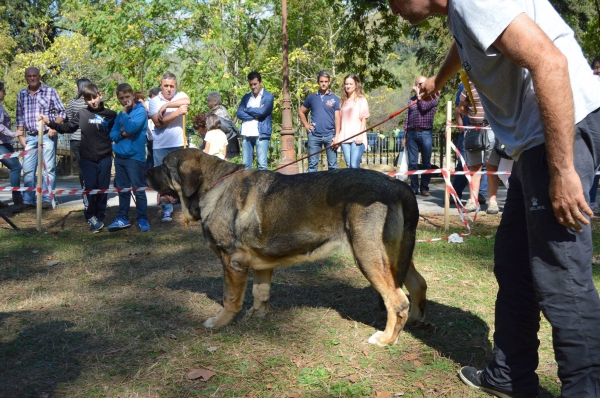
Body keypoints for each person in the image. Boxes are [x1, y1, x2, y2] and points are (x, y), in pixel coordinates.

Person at [387, 0, 600, 396]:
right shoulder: (462, 11)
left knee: (562, 276)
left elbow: (550, 63)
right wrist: (438, 80)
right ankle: (511, 375)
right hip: (533, 144)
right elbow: (468, 43)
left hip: (557, 132)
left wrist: (562, 169)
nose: (392, 8)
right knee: (514, 261)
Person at [39, 83, 116, 233]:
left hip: (105, 158)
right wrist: (50, 123)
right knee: (90, 187)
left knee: (102, 188)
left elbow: (119, 131)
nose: (93, 101)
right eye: (89, 99)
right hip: (87, 159)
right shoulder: (82, 113)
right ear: (85, 100)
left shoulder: (111, 115)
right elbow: (67, 127)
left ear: (100, 95)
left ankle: (99, 217)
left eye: (94, 97)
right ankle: (90, 216)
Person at [15, 67, 66, 210]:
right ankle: (28, 201)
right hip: (30, 137)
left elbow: (62, 111)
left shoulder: (50, 91)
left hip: (47, 135)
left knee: (48, 169)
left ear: (39, 76)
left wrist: (54, 126)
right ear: (25, 77)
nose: (32, 78)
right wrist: (20, 136)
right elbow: (19, 117)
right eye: (29, 76)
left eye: (35, 75)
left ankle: (46, 199)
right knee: (28, 170)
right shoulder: (21, 94)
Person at [107, 83, 149, 233]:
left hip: (135, 158)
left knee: (138, 190)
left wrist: (125, 113)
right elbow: (112, 133)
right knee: (123, 190)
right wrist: (121, 135)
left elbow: (131, 128)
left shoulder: (140, 111)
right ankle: (122, 218)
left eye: (127, 97)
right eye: (121, 98)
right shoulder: (120, 114)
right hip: (120, 157)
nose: (124, 100)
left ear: (132, 96)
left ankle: (142, 218)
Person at [148, 73, 190, 222]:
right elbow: (158, 123)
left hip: (179, 143)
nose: (169, 89)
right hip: (160, 145)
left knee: (180, 178)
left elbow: (187, 100)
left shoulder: (181, 95)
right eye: (166, 86)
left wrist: (167, 105)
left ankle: (184, 208)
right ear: (161, 86)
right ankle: (166, 210)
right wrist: (178, 111)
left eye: (172, 86)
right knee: (163, 180)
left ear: (176, 86)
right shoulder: (153, 101)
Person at [458, 82, 500, 214]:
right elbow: (461, 108)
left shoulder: (495, 82)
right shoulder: (468, 85)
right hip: (473, 130)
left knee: (492, 166)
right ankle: (473, 200)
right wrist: (473, 117)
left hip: (492, 130)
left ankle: (492, 201)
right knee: (474, 167)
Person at [451, 82, 487, 205]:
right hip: (468, 131)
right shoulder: (465, 84)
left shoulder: (490, 81)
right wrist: (460, 123)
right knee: (463, 162)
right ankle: (456, 193)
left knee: (485, 164)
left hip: (486, 130)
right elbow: (458, 107)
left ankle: (480, 194)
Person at [298, 70, 341, 172]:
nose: (323, 83)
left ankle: (333, 188)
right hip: (314, 136)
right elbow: (301, 112)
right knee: (312, 166)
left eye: (326, 81)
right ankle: (311, 187)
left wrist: (337, 137)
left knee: (333, 166)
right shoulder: (312, 98)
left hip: (330, 136)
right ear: (318, 82)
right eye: (321, 81)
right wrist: (306, 125)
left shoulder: (335, 99)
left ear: (329, 82)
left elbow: (338, 118)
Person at [402, 75, 438, 196]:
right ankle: (414, 187)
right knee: (412, 163)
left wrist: (419, 94)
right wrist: (405, 135)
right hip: (412, 133)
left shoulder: (433, 97)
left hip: (425, 133)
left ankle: (424, 188)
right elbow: (407, 118)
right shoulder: (411, 100)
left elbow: (423, 107)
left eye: (422, 84)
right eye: (418, 84)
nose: (419, 86)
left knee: (426, 163)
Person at [236, 71, 274, 170]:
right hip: (246, 133)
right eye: (251, 84)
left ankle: (264, 185)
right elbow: (239, 113)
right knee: (246, 165)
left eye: (255, 84)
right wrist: (255, 113)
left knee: (262, 164)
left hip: (261, 133)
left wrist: (247, 109)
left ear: (260, 82)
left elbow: (262, 112)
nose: (253, 87)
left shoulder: (268, 97)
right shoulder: (246, 98)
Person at [334, 73, 369, 169]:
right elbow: (340, 120)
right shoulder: (342, 102)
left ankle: (361, 184)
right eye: (346, 84)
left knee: (354, 165)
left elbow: (364, 118)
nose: (348, 86)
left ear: (356, 85)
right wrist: (337, 137)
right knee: (349, 166)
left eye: (350, 84)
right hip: (345, 137)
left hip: (356, 137)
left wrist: (360, 135)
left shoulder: (361, 99)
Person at [0, 81, 23, 211]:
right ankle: (17, 196)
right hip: (1, 144)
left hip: (5, 142)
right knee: (16, 167)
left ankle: (17, 196)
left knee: (16, 167)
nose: (5, 93)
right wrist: (13, 134)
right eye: (4, 91)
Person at [65, 78, 92, 188]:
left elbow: (68, 119)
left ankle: (85, 190)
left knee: (82, 167)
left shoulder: (72, 103)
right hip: (90, 139)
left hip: (76, 139)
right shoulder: (92, 103)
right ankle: (92, 190)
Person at [206, 91, 240, 159]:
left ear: (215, 101)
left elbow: (228, 129)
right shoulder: (213, 112)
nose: (207, 102)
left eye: (208, 100)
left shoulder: (220, 114)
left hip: (229, 144)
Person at [588, 56, 600, 216]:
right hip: (594, 135)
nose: (598, 70)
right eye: (596, 67)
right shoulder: (589, 88)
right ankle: (589, 202)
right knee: (593, 170)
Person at [144, 87, 160, 172]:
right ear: (153, 95)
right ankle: (148, 176)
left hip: (153, 132)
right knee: (152, 155)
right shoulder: (148, 103)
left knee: (152, 155)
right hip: (151, 132)